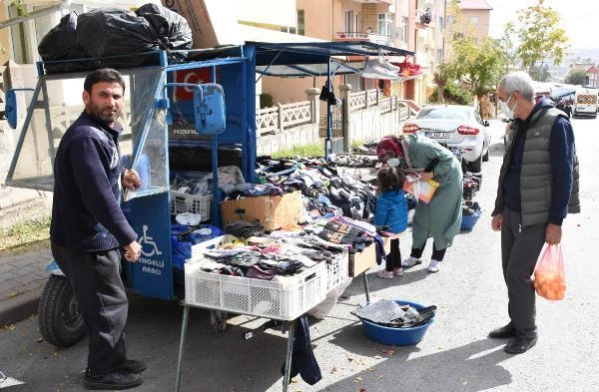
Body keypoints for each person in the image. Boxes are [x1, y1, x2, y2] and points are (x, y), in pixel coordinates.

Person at [50, 68, 145, 390]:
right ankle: (101, 372)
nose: (111, 102)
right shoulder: (87, 136)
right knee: (107, 308)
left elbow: (98, 180)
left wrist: (122, 176)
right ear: (86, 97)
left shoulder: (99, 132)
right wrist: (127, 237)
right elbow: (97, 196)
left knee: (110, 304)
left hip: (88, 237)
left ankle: (115, 361)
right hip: (86, 241)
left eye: (116, 95)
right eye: (103, 94)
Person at [490, 71, 580, 355]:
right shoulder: (519, 123)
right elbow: (509, 169)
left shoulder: (556, 123)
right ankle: (516, 323)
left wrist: (556, 221)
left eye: (503, 99)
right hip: (514, 212)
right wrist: (500, 208)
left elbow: (565, 175)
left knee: (518, 273)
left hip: (538, 216)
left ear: (516, 97)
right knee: (509, 271)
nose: (503, 103)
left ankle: (527, 331)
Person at [377, 133, 463, 273]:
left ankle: (437, 259)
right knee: (421, 220)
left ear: (395, 149)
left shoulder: (420, 146)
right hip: (426, 182)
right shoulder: (400, 156)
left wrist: (432, 173)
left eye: (390, 158)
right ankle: (415, 256)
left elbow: (448, 159)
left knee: (440, 220)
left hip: (448, 179)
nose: (390, 162)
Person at [373, 166, 408, 279]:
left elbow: (380, 217)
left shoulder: (384, 200)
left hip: (389, 229)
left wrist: (377, 228)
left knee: (388, 249)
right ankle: (398, 268)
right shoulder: (400, 193)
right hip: (400, 226)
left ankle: (388, 271)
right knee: (396, 246)